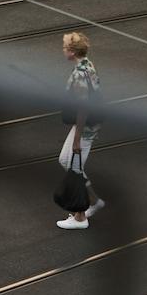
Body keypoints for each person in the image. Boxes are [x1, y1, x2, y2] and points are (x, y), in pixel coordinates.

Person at [57, 30, 105, 229]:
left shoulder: (79, 74)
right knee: (65, 161)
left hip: (86, 126)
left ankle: (80, 217)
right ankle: (94, 202)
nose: (63, 50)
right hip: (88, 122)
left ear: (72, 52)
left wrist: (77, 139)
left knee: (74, 166)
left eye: (65, 47)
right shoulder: (87, 64)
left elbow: (83, 108)